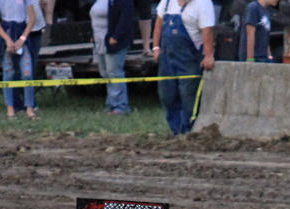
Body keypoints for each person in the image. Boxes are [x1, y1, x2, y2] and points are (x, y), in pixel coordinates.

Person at [152, 0, 216, 135]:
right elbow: (159, 23)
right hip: (167, 58)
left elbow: (207, 30)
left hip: (189, 58)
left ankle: (189, 131)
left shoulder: (203, 3)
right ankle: (176, 132)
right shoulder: (167, 2)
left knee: (188, 96)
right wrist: (156, 47)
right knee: (167, 95)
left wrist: (208, 55)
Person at [0, 0, 38, 118]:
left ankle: (29, 108)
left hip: (21, 32)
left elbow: (32, 18)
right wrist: (7, 39)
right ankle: (10, 108)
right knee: (8, 73)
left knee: (27, 73)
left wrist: (22, 39)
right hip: (6, 33)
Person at [91, 0, 137, 114]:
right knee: (105, 73)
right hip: (99, 41)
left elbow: (126, 16)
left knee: (115, 73)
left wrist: (116, 36)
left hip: (114, 42)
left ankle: (121, 106)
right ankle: (111, 104)